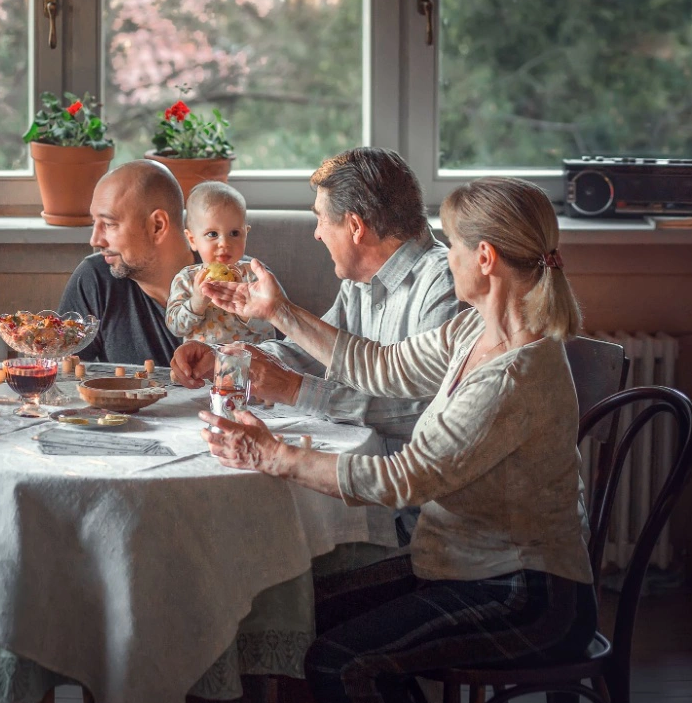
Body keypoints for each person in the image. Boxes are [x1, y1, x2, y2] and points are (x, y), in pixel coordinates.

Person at [195, 177, 597, 703]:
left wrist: (275, 455)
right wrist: (278, 311)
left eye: (453, 245)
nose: (445, 256)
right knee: (298, 615)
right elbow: (381, 365)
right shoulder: (474, 329)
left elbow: (403, 479)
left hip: (526, 594)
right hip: (459, 567)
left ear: (484, 258)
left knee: (341, 663)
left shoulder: (515, 375)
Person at [172, 147, 459, 544]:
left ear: (355, 226)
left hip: (419, 523)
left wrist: (295, 390)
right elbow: (310, 351)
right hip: (368, 494)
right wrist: (227, 359)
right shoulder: (361, 280)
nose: (317, 233)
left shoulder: (445, 285)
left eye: (320, 218)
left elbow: (427, 413)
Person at [58, 159, 196, 365]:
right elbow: (61, 374)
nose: (95, 240)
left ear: (157, 226)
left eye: (109, 224)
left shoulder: (236, 282)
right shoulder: (96, 278)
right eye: (95, 223)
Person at [165, 181, 275, 345]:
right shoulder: (186, 279)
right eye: (212, 234)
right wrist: (197, 302)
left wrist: (245, 306)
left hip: (250, 358)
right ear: (192, 239)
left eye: (234, 233)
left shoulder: (255, 276)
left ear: (246, 234)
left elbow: (273, 327)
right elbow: (175, 327)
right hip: (202, 359)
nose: (224, 243)